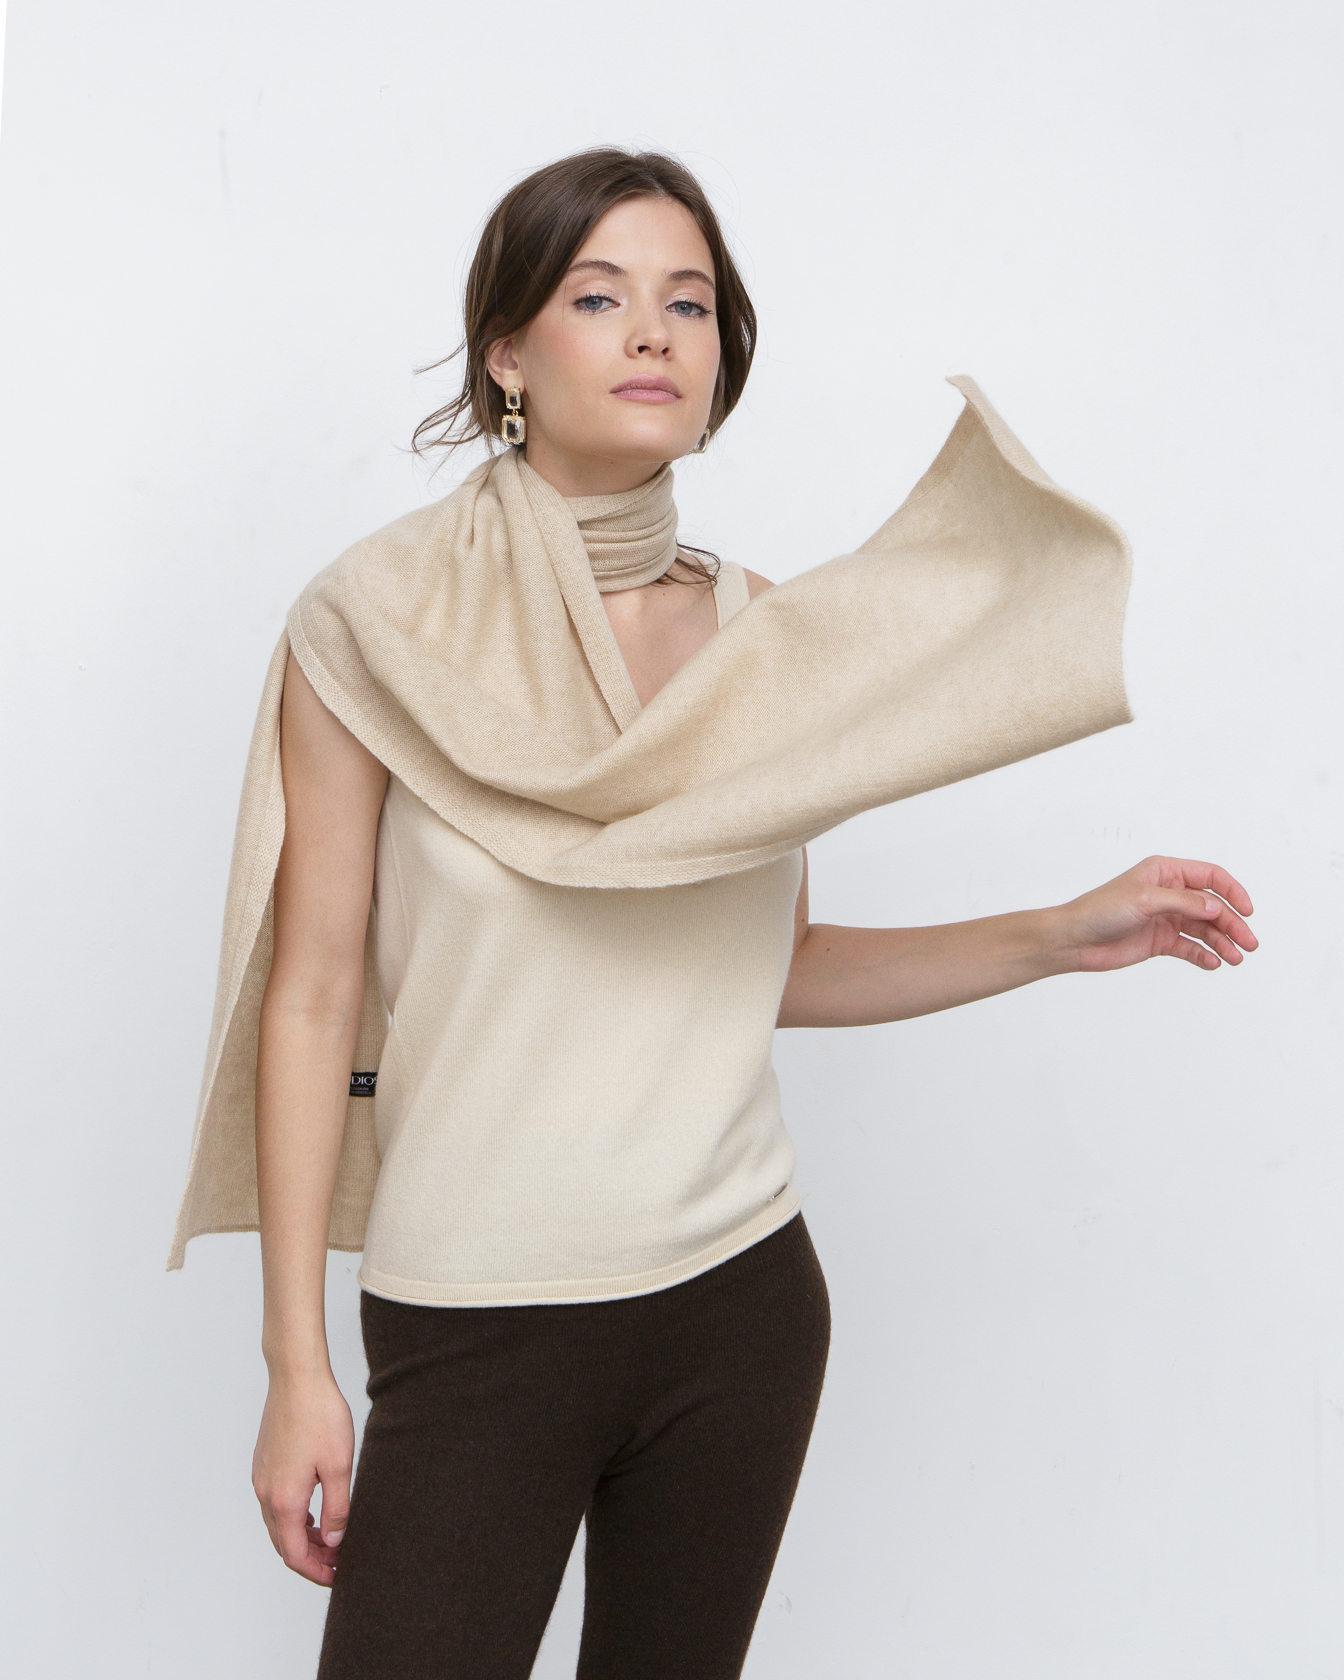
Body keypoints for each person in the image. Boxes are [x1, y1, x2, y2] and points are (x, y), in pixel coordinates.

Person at [174, 148, 1256, 1679]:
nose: (652, 333)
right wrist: (296, 1363)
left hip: (740, 1311)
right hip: (478, 1320)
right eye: (598, 297)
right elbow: (311, 991)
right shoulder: (373, 627)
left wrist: (1061, 934)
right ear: (507, 352)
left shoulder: (770, 637)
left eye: (689, 303)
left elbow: (778, 966)